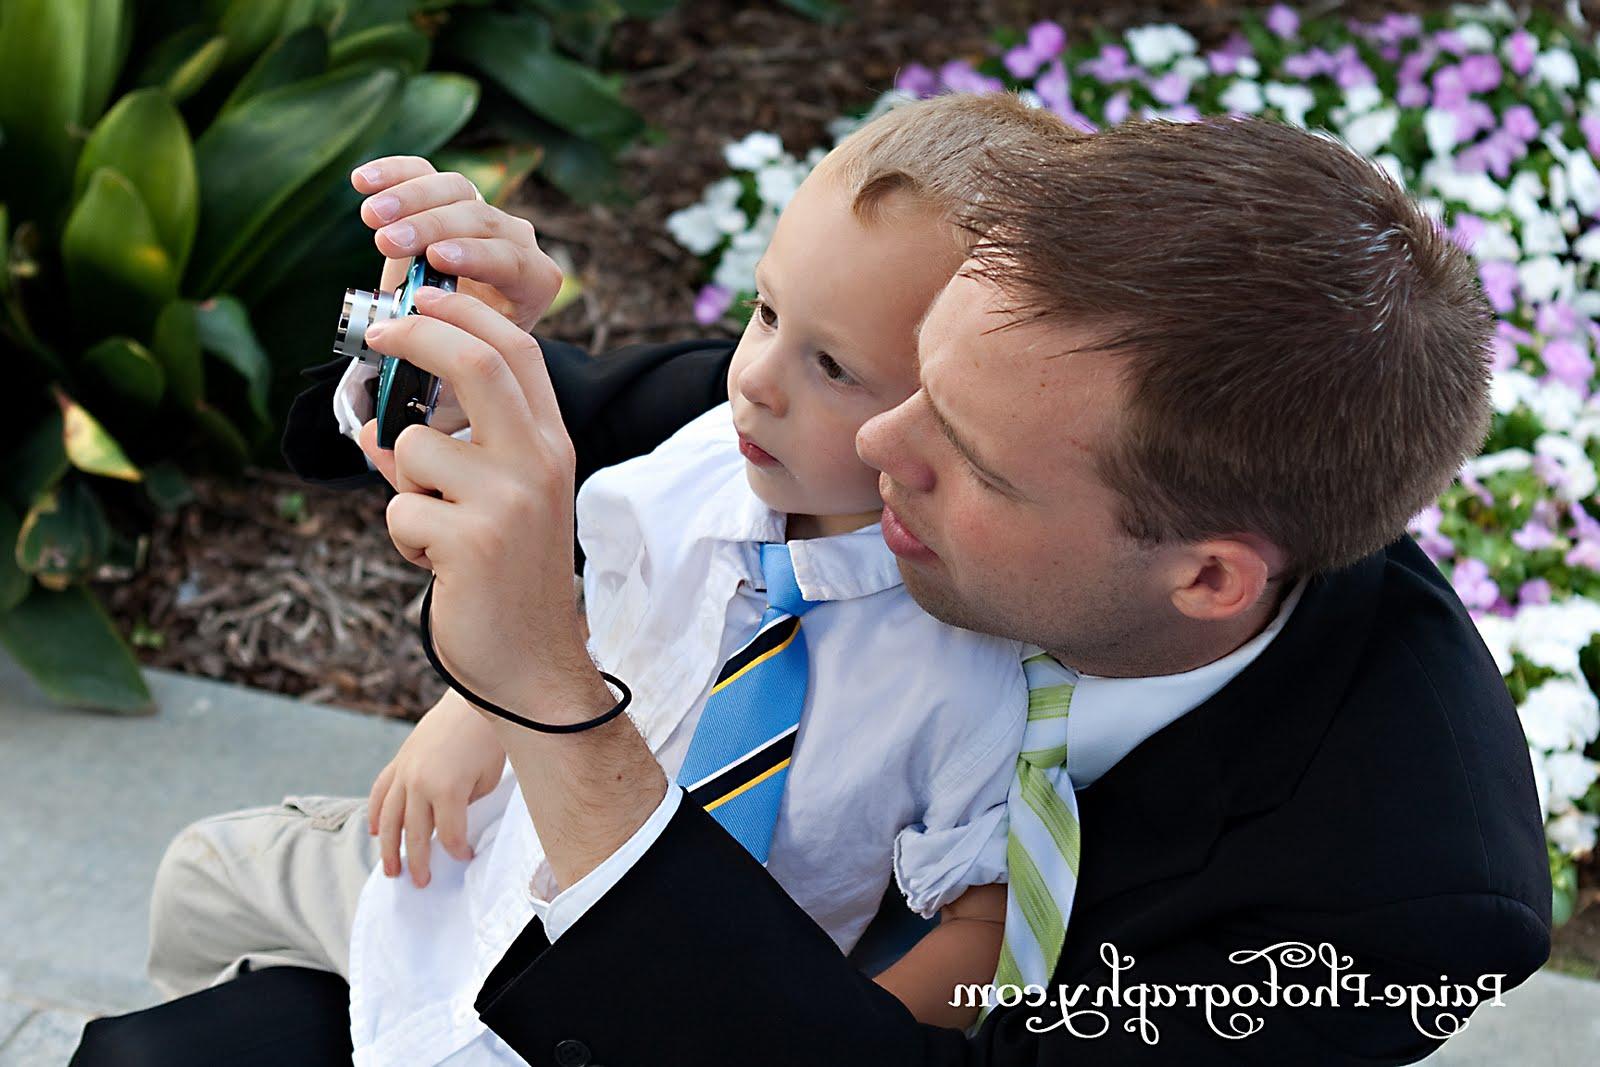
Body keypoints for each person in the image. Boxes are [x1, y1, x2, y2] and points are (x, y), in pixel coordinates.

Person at [74, 111, 1551, 1066]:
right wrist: (461, 345)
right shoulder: (904, 410)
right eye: (909, 377)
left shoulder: (1398, 905)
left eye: (961, 448)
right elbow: (566, 435)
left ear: (1211, 575)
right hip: (491, 926)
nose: (874, 446)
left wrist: (552, 704)